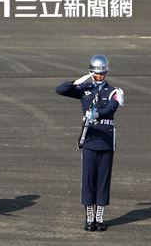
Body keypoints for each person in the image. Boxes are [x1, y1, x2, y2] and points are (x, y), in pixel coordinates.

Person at [55, 54, 124, 232]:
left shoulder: (114, 92)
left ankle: (99, 217)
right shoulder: (85, 89)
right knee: (88, 180)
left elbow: (111, 108)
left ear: (106, 73)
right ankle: (89, 217)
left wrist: (97, 114)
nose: (99, 76)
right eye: (95, 73)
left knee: (103, 180)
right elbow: (60, 89)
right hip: (90, 139)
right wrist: (80, 80)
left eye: (101, 73)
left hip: (106, 140)